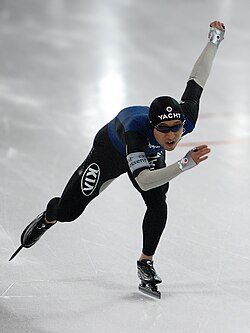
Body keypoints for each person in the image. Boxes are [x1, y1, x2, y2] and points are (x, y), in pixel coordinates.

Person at [10, 21, 225, 294]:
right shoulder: (136, 132)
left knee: (158, 203)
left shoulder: (185, 117)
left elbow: (197, 79)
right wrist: (184, 164)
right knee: (70, 212)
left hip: (148, 153)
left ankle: (145, 262)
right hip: (110, 151)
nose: (172, 136)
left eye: (176, 129)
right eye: (164, 130)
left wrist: (214, 40)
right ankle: (49, 216)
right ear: (152, 127)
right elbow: (144, 180)